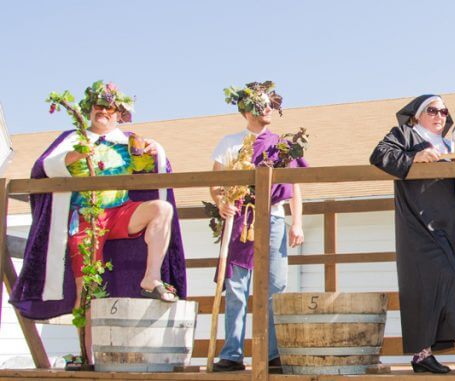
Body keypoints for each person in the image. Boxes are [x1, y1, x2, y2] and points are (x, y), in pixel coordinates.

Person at [10, 80, 187, 354]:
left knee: (161, 210)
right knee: (87, 289)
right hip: (85, 219)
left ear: (119, 114)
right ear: (89, 109)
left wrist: (156, 151)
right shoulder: (73, 139)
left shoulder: (128, 142)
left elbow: (156, 169)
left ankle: (151, 277)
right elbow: (43, 168)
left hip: (120, 212)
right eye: (98, 106)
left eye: (110, 107)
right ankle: (88, 355)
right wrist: (75, 155)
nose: (103, 110)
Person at [371, 95, 455, 373]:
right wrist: (415, 157)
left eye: (444, 112)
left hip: (446, 223)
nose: (440, 116)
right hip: (417, 222)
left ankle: (422, 355)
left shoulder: (450, 144)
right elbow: (379, 155)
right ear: (417, 115)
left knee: (436, 283)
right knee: (438, 279)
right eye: (432, 110)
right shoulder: (405, 134)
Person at [209, 81, 307, 372]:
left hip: (274, 217)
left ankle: (271, 353)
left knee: (275, 284)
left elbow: (295, 187)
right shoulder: (230, 143)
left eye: (269, 103)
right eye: (260, 103)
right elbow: (216, 184)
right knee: (237, 286)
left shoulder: (282, 144)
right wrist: (221, 202)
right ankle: (232, 353)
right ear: (245, 109)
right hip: (240, 219)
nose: (267, 108)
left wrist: (297, 223)